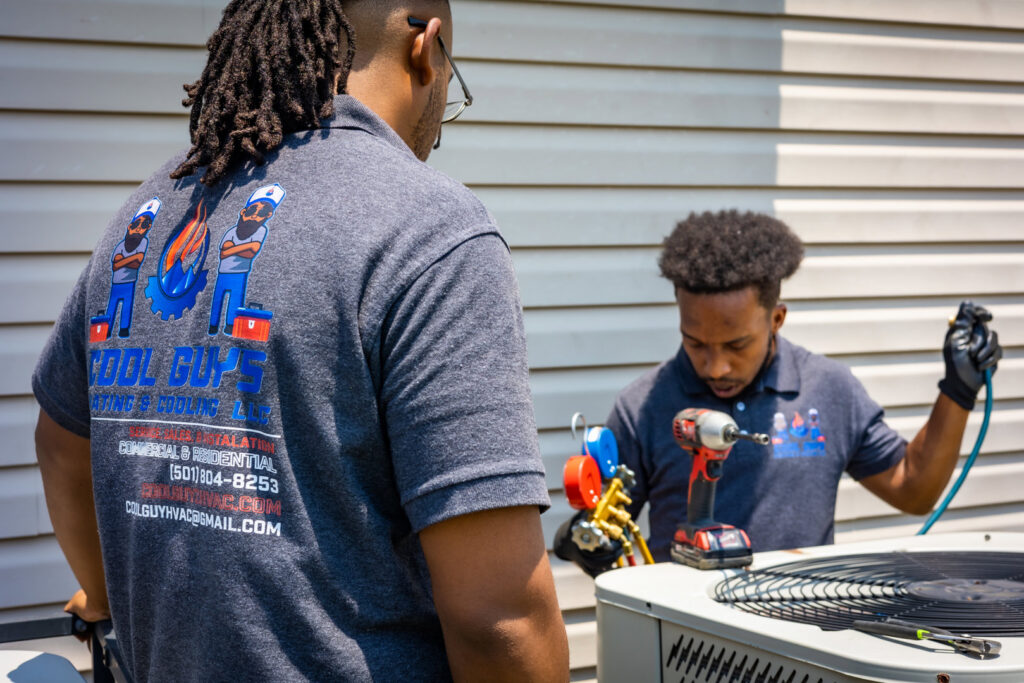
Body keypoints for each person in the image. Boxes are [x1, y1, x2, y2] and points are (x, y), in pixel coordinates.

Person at [33, 1, 569, 680]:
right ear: (426, 48)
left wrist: (106, 598)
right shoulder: (429, 230)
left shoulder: (148, 211)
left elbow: (60, 443)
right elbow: (500, 622)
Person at [603, 210, 1002, 561]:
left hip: (798, 620)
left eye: (736, 345)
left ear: (777, 320)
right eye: (695, 343)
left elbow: (913, 490)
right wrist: (588, 546)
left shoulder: (829, 390)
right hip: (679, 623)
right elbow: (604, 530)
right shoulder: (643, 406)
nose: (716, 367)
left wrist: (958, 391)